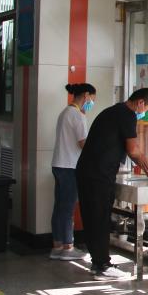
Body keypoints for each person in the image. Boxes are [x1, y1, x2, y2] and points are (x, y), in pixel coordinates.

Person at [75, 88, 148, 280]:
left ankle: (98, 263)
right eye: (146, 109)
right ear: (140, 103)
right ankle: (102, 266)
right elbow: (133, 150)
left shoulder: (113, 111)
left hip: (87, 171)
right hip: (98, 174)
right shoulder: (127, 115)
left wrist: (146, 168)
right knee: (100, 218)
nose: (144, 113)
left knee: (93, 218)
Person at [50, 83, 96, 261]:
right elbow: (83, 143)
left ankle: (57, 246)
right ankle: (68, 247)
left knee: (59, 206)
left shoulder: (65, 112)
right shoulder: (77, 115)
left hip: (59, 164)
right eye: (92, 99)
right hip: (70, 166)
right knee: (67, 208)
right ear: (86, 95)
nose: (92, 103)